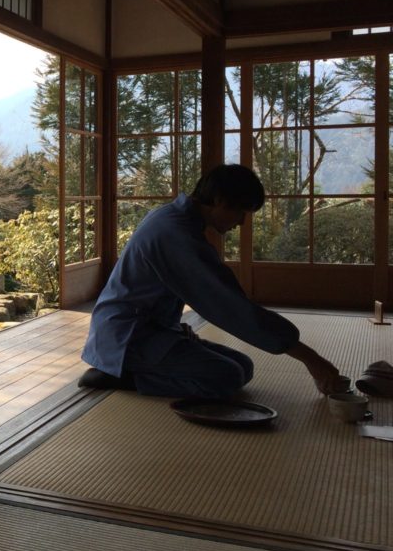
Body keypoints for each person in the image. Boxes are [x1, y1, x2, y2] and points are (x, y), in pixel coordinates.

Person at [79, 164, 343, 398]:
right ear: (218, 200)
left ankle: (134, 368)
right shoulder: (175, 233)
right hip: (127, 338)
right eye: (240, 212)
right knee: (227, 376)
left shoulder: (174, 218)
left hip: (149, 330)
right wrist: (311, 358)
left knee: (243, 365)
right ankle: (123, 376)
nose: (241, 222)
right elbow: (228, 306)